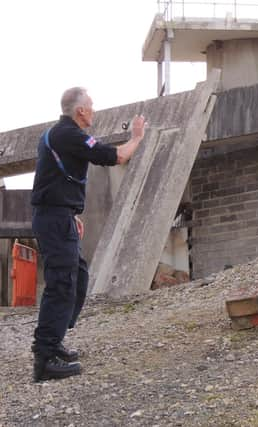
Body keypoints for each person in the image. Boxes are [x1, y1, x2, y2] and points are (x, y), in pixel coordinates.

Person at [30, 87, 146, 382]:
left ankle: (54, 340)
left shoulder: (62, 135)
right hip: (54, 218)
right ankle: (44, 359)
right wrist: (136, 137)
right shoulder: (68, 135)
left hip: (59, 216)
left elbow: (55, 179)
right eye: (91, 106)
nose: (94, 110)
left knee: (78, 276)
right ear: (80, 111)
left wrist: (71, 213)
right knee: (61, 282)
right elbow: (115, 156)